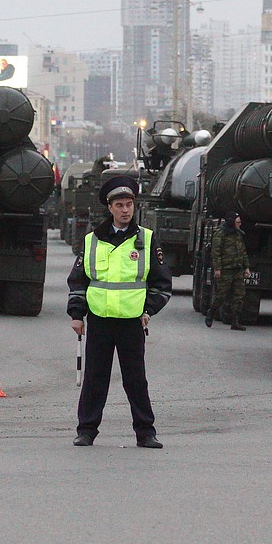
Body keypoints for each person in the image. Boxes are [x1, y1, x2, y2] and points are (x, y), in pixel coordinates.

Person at [67, 173, 173, 449]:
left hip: (132, 322)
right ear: (110, 208)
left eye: (129, 205)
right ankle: (86, 430)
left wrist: (148, 310)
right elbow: (79, 280)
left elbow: (162, 283)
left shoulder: (147, 240)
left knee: (136, 380)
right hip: (100, 320)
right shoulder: (92, 241)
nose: (125, 210)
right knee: (94, 380)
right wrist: (77, 315)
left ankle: (145, 432)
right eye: (120, 205)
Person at [206, 211, 251, 331]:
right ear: (232, 222)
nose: (240, 224)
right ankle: (211, 312)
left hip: (238, 269)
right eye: (238, 222)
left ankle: (235, 321)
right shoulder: (221, 234)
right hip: (226, 269)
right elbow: (216, 252)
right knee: (221, 294)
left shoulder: (238, 234)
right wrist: (218, 269)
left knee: (239, 296)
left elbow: (243, 252)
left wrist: (246, 267)